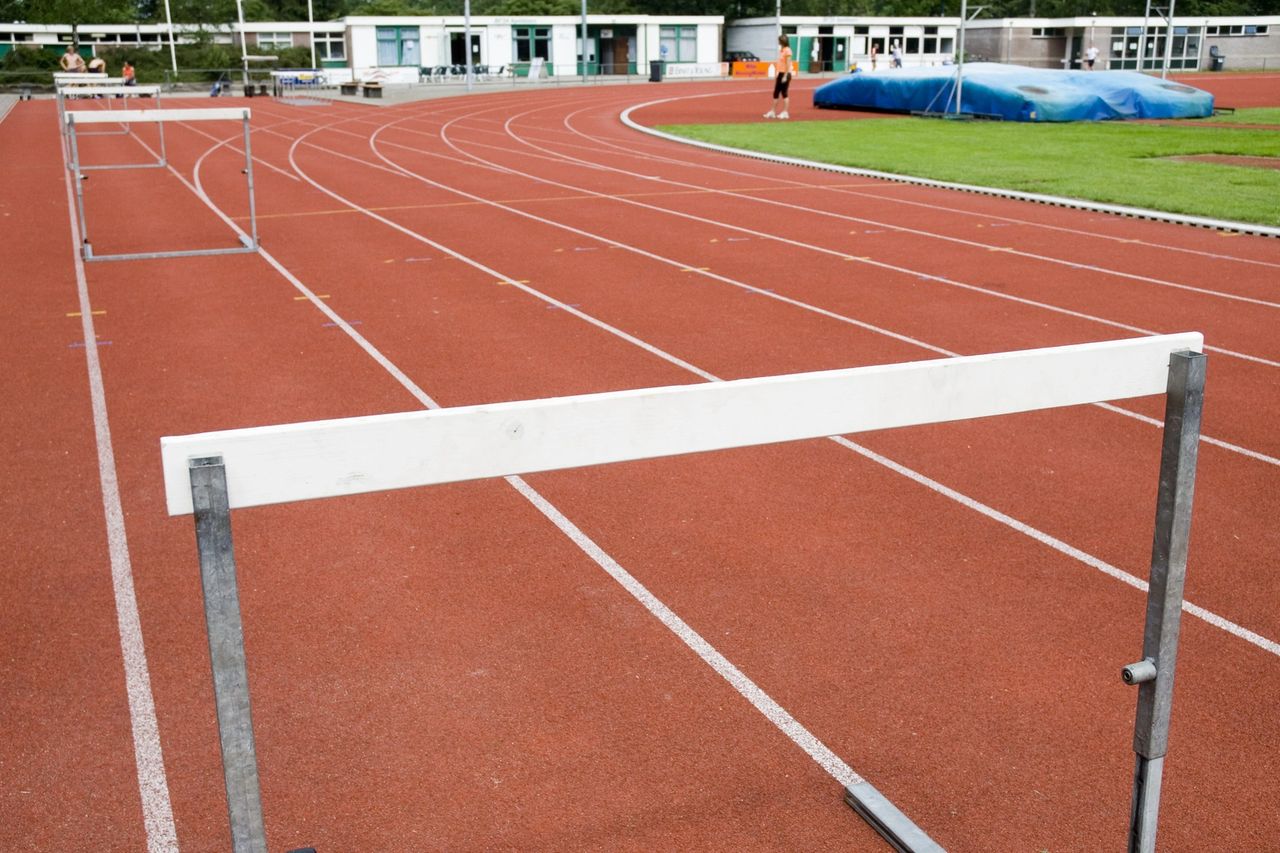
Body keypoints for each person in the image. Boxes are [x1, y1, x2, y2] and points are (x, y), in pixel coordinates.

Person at [763, 34, 793, 120]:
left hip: (785, 73)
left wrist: (785, 75)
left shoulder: (787, 51)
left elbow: (788, 64)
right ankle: (772, 111)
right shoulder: (782, 50)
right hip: (780, 73)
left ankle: (785, 112)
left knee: (784, 93)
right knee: (776, 93)